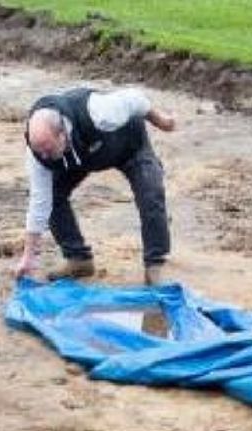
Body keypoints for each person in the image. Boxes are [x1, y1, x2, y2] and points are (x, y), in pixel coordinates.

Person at [13, 86, 176, 284]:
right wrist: (28, 257)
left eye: (47, 150)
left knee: (151, 192)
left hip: (128, 146)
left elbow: (135, 99)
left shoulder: (100, 111)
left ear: (62, 134)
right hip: (77, 158)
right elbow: (39, 202)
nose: (44, 157)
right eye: (40, 152)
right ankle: (78, 259)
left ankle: (154, 266)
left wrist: (162, 121)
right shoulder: (39, 152)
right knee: (53, 197)